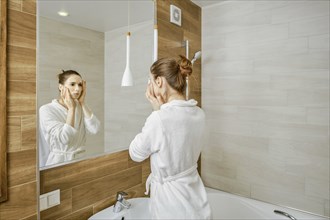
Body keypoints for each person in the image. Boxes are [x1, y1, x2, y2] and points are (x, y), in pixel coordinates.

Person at [129, 55, 211, 219]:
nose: (149, 85)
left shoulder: (159, 118)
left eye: (150, 80)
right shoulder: (199, 114)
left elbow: (135, 153)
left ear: (159, 82)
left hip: (172, 205)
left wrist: (156, 112)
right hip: (196, 198)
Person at [39, 70, 100, 167]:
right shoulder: (46, 110)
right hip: (58, 163)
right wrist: (71, 109)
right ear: (60, 87)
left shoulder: (80, 107)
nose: (77, 89)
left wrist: (82, 103)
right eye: (72, 84)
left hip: (80, 161)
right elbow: (66, 139)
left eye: (80, 85)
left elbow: (95, 129)